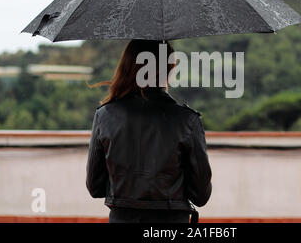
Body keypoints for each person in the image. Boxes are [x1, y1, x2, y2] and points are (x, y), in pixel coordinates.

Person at [86, 39, 212, 223]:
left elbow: (95, 187)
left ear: (128, 67)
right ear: (170, 68)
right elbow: (201, 196)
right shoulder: (187, 120)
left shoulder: (104, 116)